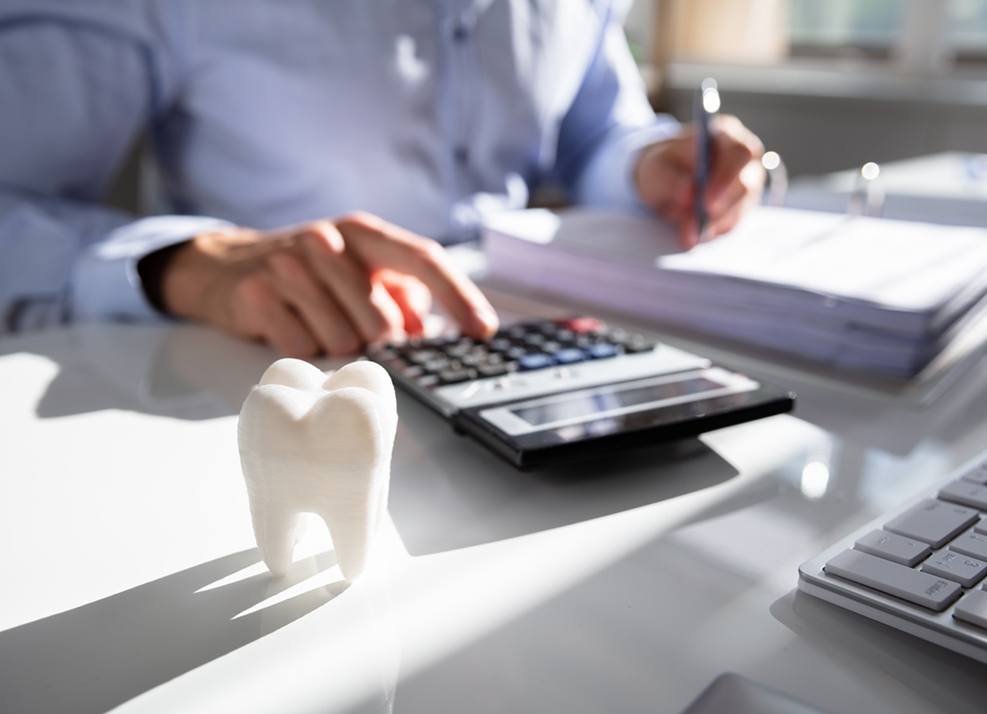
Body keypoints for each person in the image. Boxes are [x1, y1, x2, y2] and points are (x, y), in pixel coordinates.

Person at [0, 0, 764, 357]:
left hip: (531, 349)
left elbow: (594, 132)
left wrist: (647, 166)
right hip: (267, 371)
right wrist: (185, 264)